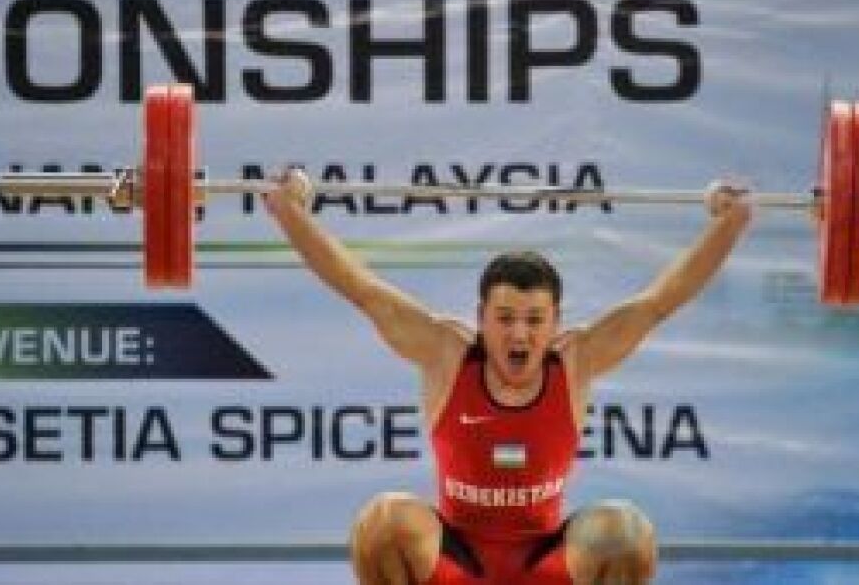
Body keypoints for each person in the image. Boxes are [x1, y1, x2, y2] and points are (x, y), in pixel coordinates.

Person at [265, 170, 751, 585]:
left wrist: (729, 226)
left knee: (625, 532)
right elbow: (361, 288)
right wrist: (290, 213)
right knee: (384, 522)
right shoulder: (446, 353)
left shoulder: (576, 360)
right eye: (504, 318)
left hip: (547, 567)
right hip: (454, 566)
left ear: (556, 322)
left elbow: (661, 301)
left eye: (535, 320)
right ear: (481, 318)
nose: (519, 334)